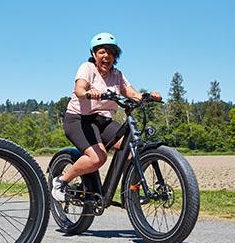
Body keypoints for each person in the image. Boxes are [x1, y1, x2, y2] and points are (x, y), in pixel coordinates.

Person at [51, 32, 162, 201]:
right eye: (102, 51)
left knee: (132, 149)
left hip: (102, 121)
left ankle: (130, 191)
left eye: (111, 52)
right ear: (94, 54)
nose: (106, 56)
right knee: (97, 158)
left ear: (115, 56)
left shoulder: (117, 75)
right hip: (79, 120)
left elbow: (131, 92)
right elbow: (79, 89)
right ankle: (61, 182)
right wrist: (88, 93)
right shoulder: (87, 68)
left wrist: (147, 97)